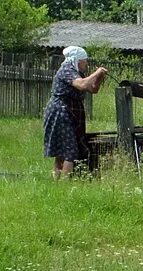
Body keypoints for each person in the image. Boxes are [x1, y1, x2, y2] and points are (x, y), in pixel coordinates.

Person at [43, 46, 108, 179]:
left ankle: (58, 183)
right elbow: (82, 85)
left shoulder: (77, 73)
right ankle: (65, 184)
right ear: (77, 60)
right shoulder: (67, 70)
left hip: (70, 111)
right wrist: (96, 73)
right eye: (84, 61)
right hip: (61, 111)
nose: (86, 63)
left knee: (63, 152)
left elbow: (92, 89)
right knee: (69, 151)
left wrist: (100, 77)